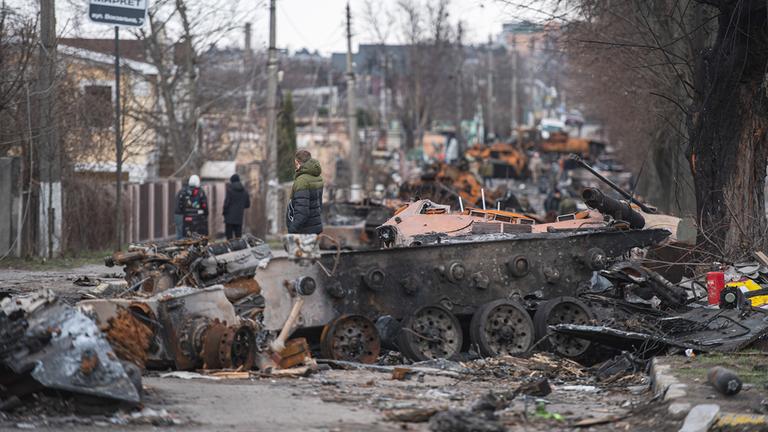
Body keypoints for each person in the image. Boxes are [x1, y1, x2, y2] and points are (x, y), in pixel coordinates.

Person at [286, 150, 324, 234]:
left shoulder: (302, 181)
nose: (295, 167)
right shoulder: (318, 177)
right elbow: (319, 205)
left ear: (298, 162)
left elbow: (302, 212)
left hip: (304, 231)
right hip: (315, 228)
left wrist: (292, 229)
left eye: (295, 163)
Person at [222, 173, 250, 239]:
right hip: (239, 218)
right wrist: (240, 206)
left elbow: (226, 204)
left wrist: (224, 213)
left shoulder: (229, 190)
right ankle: (238, 249)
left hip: (229, 218)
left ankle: (230, 249)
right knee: (238, 238)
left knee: (229, 239)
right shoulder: (245, 191)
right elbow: (247, 205)